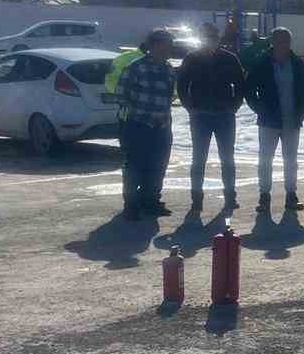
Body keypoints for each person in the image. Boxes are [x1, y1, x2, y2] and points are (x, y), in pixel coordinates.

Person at [175, 21, 247, 212]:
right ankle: (196, 200)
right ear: (201, 39)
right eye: (206, 37)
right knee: (199, 159)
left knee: (227, 159)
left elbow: (240, 85)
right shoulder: (192, 58)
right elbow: (182, 86)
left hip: (224, 115)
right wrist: (190, 107)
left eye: (213, 38)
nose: (210, 41)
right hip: (200, 116)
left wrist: (234, 106)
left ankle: (230, 197)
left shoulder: (230, 59)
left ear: (218, 39)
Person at [243, 26, 304, 213]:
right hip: (268, 122)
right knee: (265, 160)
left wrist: (302, 112)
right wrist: (260, 110)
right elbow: (249, 90)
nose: (283, 45)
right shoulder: (262, 63)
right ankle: (264, 197)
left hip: (292, 122)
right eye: (280, 41)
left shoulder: (297, 64)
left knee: (291, 161)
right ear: (272, 42)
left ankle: (291, 196)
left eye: (287, 41)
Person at [115, 30, 176, 221]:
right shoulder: (136, 67)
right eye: (166, 45)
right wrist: (139, 112)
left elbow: (169, 96)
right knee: (134, 167)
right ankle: (131, 205)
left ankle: (151, 201)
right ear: (154, 46)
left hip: (162, 126)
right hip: (138, 125)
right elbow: (120, 93)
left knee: (158, 165)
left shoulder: (168, 69)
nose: (170, 49)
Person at [104, 38, 148, 211]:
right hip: (133, 117)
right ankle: (136, 201)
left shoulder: (122, 58)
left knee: (135, 162)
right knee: (139, 162)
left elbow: (110, 84)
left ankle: (137, 201)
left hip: (128, 115)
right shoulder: (133, 62)